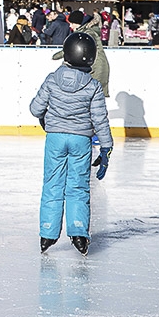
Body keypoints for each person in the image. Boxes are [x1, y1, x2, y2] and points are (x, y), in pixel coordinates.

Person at [29, 32, 114, 256]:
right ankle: (78, 234)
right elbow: (100, 120)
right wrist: (106, 148)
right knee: (77, 187)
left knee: (52, 185)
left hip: (55, 139)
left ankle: (47, 233)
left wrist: (46, 119)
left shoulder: (51, 79)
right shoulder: (93, 86)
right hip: (81, 141)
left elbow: (35, 109)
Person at [53, 10, 110, 97]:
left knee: (92, 98)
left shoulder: (89, 33)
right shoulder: (84, 32)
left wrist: (60, 55)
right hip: (92, 67)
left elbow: (77, 49)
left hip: (96, 68)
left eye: (71, 23)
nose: (70, 25)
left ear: (77, 23)